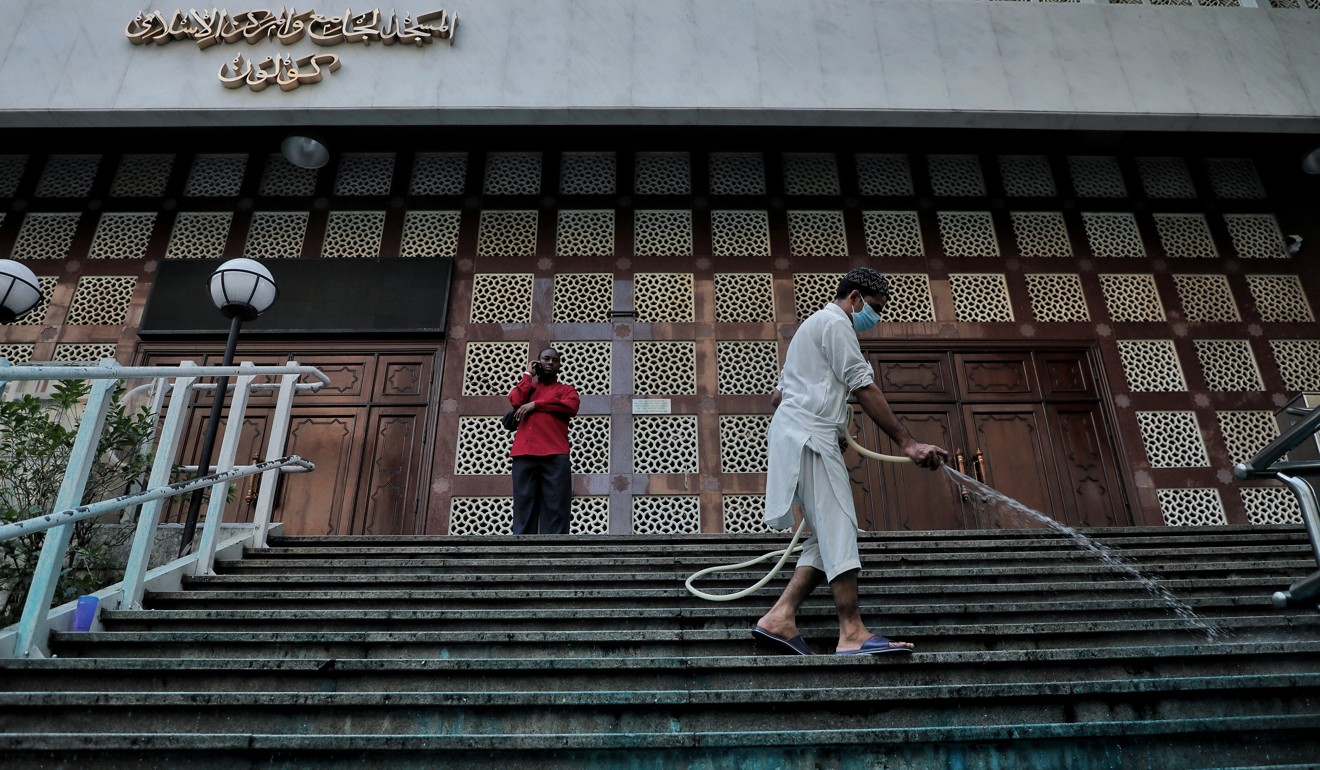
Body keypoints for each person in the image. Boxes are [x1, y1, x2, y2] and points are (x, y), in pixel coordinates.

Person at [754, 268, 948, 656]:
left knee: (826, 534)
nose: (873, 319)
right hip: (809, 435)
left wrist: (833, 424)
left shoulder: (810, 329)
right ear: (855, 297)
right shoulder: (835, 322)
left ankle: (780, 617)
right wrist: (907, 443)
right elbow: (863, 385)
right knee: (840, 524)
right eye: (874, 309)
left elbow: (778, 397)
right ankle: (852, 632)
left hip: (803, 432)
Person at [508, 347, 580, 535]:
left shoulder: (566, 389)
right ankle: (521, 549)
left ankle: (555, 548)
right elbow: (515, 401)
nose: (550, 363)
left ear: (559, 366)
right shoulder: (528, 388)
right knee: (523, 502)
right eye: (546, 359)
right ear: (538, 363)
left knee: (556, 503)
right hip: (524, 453)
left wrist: (536, 404)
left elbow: (570, 407)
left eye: (554, 360)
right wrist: (527, 375)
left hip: (555, 453)